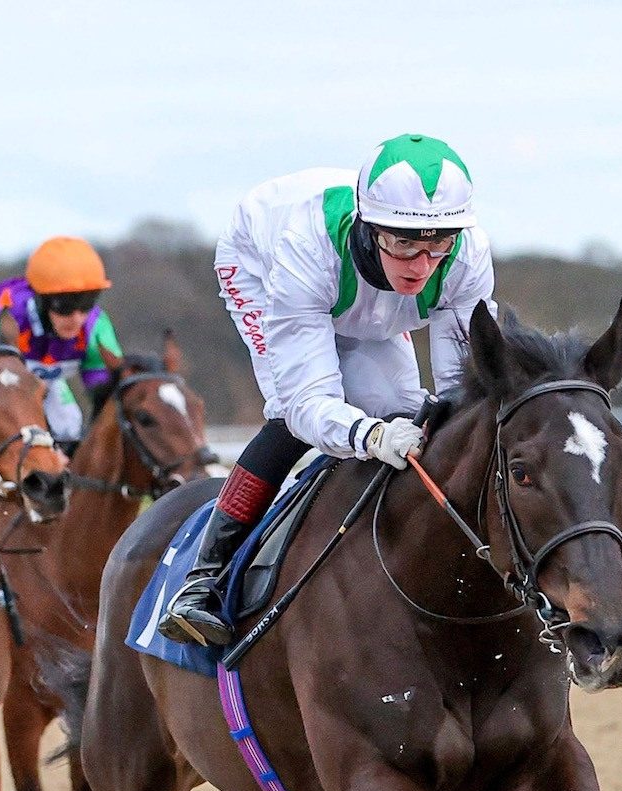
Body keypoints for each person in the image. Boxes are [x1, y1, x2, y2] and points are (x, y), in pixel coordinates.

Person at [157, 133, 495, 647]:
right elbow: (307, 404)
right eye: (404, 244)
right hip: (262, 266)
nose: (421, 266)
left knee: (406, 410)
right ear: (369, 226)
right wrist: (370, 437)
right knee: (295, 418)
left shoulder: (466, 257)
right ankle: (204, 577)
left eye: (437, 245)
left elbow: (460, 390)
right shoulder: (306, 248)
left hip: (348, 282)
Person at [0, 236, 121, 451]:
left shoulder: (96, 327)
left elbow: (108, 397)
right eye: (65, 305)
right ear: (40, 299)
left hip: (45, 381)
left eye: (87, 303)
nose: (77, 318)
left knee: (70, 428)